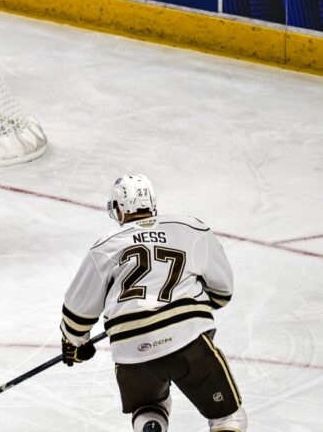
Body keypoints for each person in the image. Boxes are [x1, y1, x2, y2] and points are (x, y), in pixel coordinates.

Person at [59, 175, 247, 432]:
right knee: (228, 418)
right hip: (187, 339)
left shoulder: (105, 246)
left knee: (149, 408)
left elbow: (77, 311)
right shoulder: (190, 227)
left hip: (131, 349)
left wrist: (75, 343)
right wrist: (199, 303)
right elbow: (222, 290)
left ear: (117, 209)